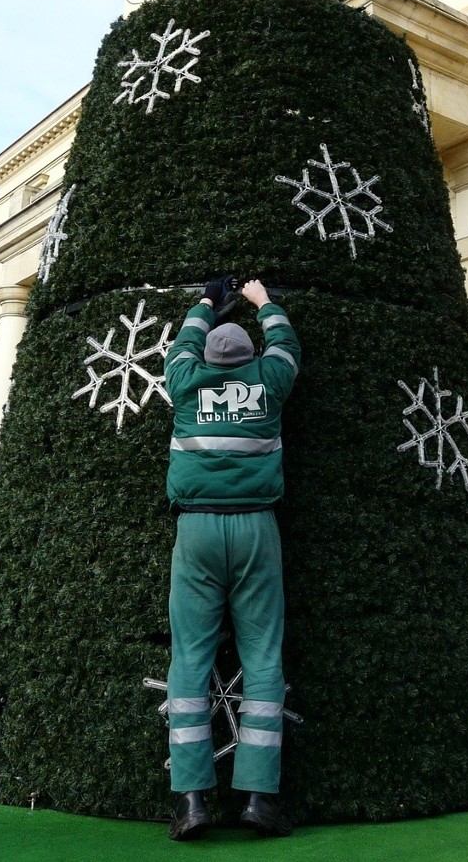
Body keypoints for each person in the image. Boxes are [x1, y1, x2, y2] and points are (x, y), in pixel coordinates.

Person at [162, 278, 300, 841]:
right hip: (256, 528)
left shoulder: (186, 382)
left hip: (196, 530)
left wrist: (203, 303)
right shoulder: (268, 381)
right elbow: (286, 346)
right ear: (250, 358)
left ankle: (192, 800)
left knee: (189, 661)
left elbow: (179, 348)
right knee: (264, 658)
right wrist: (263, 301)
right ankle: (258, 799)